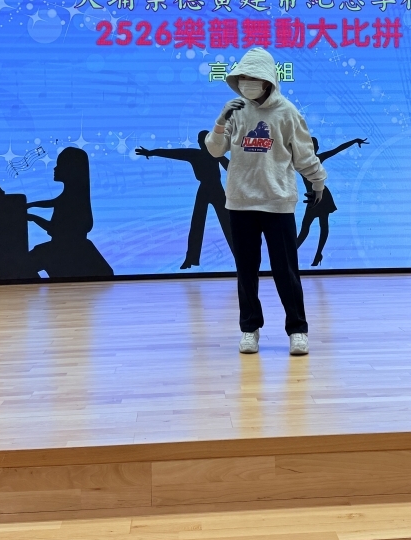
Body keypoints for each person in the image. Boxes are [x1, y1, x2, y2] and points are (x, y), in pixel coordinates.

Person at [205, 47, 326, 356]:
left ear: (268, 79)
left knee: (286, 270)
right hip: (240, 202)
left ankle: (297, 330)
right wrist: (220, 120)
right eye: (243, 77)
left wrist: (317, 181)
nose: (247, 82)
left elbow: (304, 155)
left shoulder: (287, 112)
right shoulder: (235, 110)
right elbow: (215, 150)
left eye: (253, 77)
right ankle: (249, 329)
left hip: (277, 202)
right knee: (246, 271)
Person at [135, 131, 234, 270]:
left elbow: (230, 168)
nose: (201, 143)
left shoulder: (214, 154)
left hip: (216, 189)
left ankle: (239, 257)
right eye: (201, 140)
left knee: (226, 224)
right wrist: (151, 152)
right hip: (206, 189)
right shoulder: (196, 154)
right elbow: (172, 153)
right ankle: (191, 258)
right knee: (198, 224)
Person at [26, 146, 114, 280]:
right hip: (66, 247)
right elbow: (52, 202)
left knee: (22, 265)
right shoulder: (71, 196)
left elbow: (55, 229)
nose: (55, 169)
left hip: (65, 250)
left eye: (59, 165)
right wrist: (30, 205)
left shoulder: (74, 199)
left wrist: (33, 217)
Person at [297, 136, 368, 267]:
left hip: (321, 195)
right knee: (308, 227)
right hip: (314, 197)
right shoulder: (301, 162)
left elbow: (337, 149)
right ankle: (297, 254)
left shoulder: (314, 159)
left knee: (318, 226)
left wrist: (354, 141)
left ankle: (314, 254)